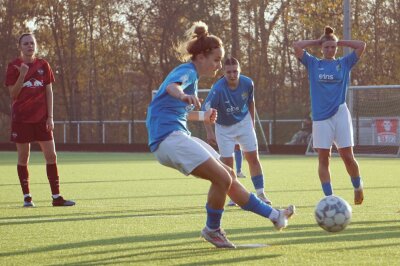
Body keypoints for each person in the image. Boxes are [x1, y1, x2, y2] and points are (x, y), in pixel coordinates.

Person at [146, 21, 295, 248]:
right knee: (223, 178)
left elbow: (174, 112)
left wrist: (202, 117)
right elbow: (171, 88)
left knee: (229, 176)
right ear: (202, 56)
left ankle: (275, 215)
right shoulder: (186, 71)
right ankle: (212, 230)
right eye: (216, 60)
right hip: (169, 140)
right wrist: (183, 96)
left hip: (176, 135)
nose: (218, 66)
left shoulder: (192, 78)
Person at [293, 26, 366, 205]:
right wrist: (317, 41)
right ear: (322, 48)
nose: (330, 50)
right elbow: (297, 46)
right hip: (320, 118)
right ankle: (329, 198)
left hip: (340, 114)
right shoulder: (313, 63)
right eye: (326, 47)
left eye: (333, 47)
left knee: (347, 156)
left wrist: (339, 41)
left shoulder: (344, 62)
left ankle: (358, 187)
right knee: (324, 158)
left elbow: (361, 45)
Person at [5, 33, 75, 207]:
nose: (30, 46)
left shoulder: (44, 65)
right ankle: (27, 197)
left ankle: (56, 197)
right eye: (26, 43)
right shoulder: (13, 66)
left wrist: (50, 117)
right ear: (20, 46)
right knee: (23, 157)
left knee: (51, 155)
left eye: (32, 43)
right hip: (21, 120)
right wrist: (22, 75)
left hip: (42, 119)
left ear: (35, 46)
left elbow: (49, 92)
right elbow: (13, 94)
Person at [202, 56, 272, 206]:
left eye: (235, 71)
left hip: (244, 123)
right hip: (224, 128)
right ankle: (235, 196)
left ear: (240, 71)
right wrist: (209, 131)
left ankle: (261, 193)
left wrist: (251, 123)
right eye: (229, 72)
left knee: (253, 158)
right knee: (227, 164)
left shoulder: (248, 83)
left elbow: (251, 102)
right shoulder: (218, 89)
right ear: (224, 72)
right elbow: (205, 111)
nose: (233, 75)